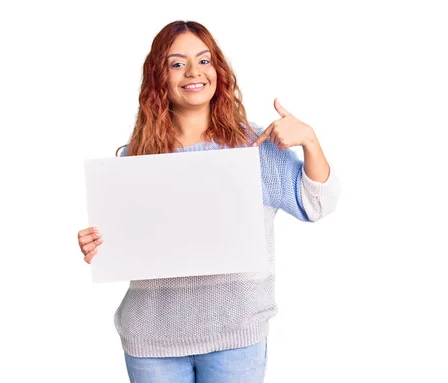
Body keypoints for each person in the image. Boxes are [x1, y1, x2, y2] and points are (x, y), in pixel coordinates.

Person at [77, 20, 341, 383]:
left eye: (204, 60)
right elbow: (129, 248)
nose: (193, 72)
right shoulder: (135, 157)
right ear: (159, 78)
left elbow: (317, 205)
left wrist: (311, 141)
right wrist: (98, 246)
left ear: (218, 69)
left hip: (235, 337)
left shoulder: (255, 146)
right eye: (176, 63)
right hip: (151, 340)